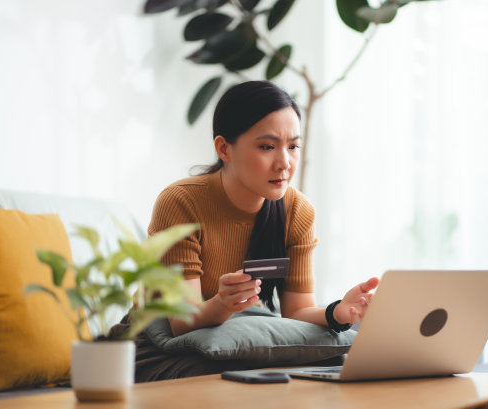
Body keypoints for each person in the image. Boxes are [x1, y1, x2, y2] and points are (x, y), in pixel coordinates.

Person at [117, 80, 379, 381]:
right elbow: (180, 323)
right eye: (267, 147)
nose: (285, 163)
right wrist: (221, 303)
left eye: (293, 146)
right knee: (224, 379)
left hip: (232, 341)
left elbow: (296, 312)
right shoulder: (181, 202)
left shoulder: (297, 210)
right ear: (224, 148)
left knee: (324, 368)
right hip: (154, 345)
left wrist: (337, 312)